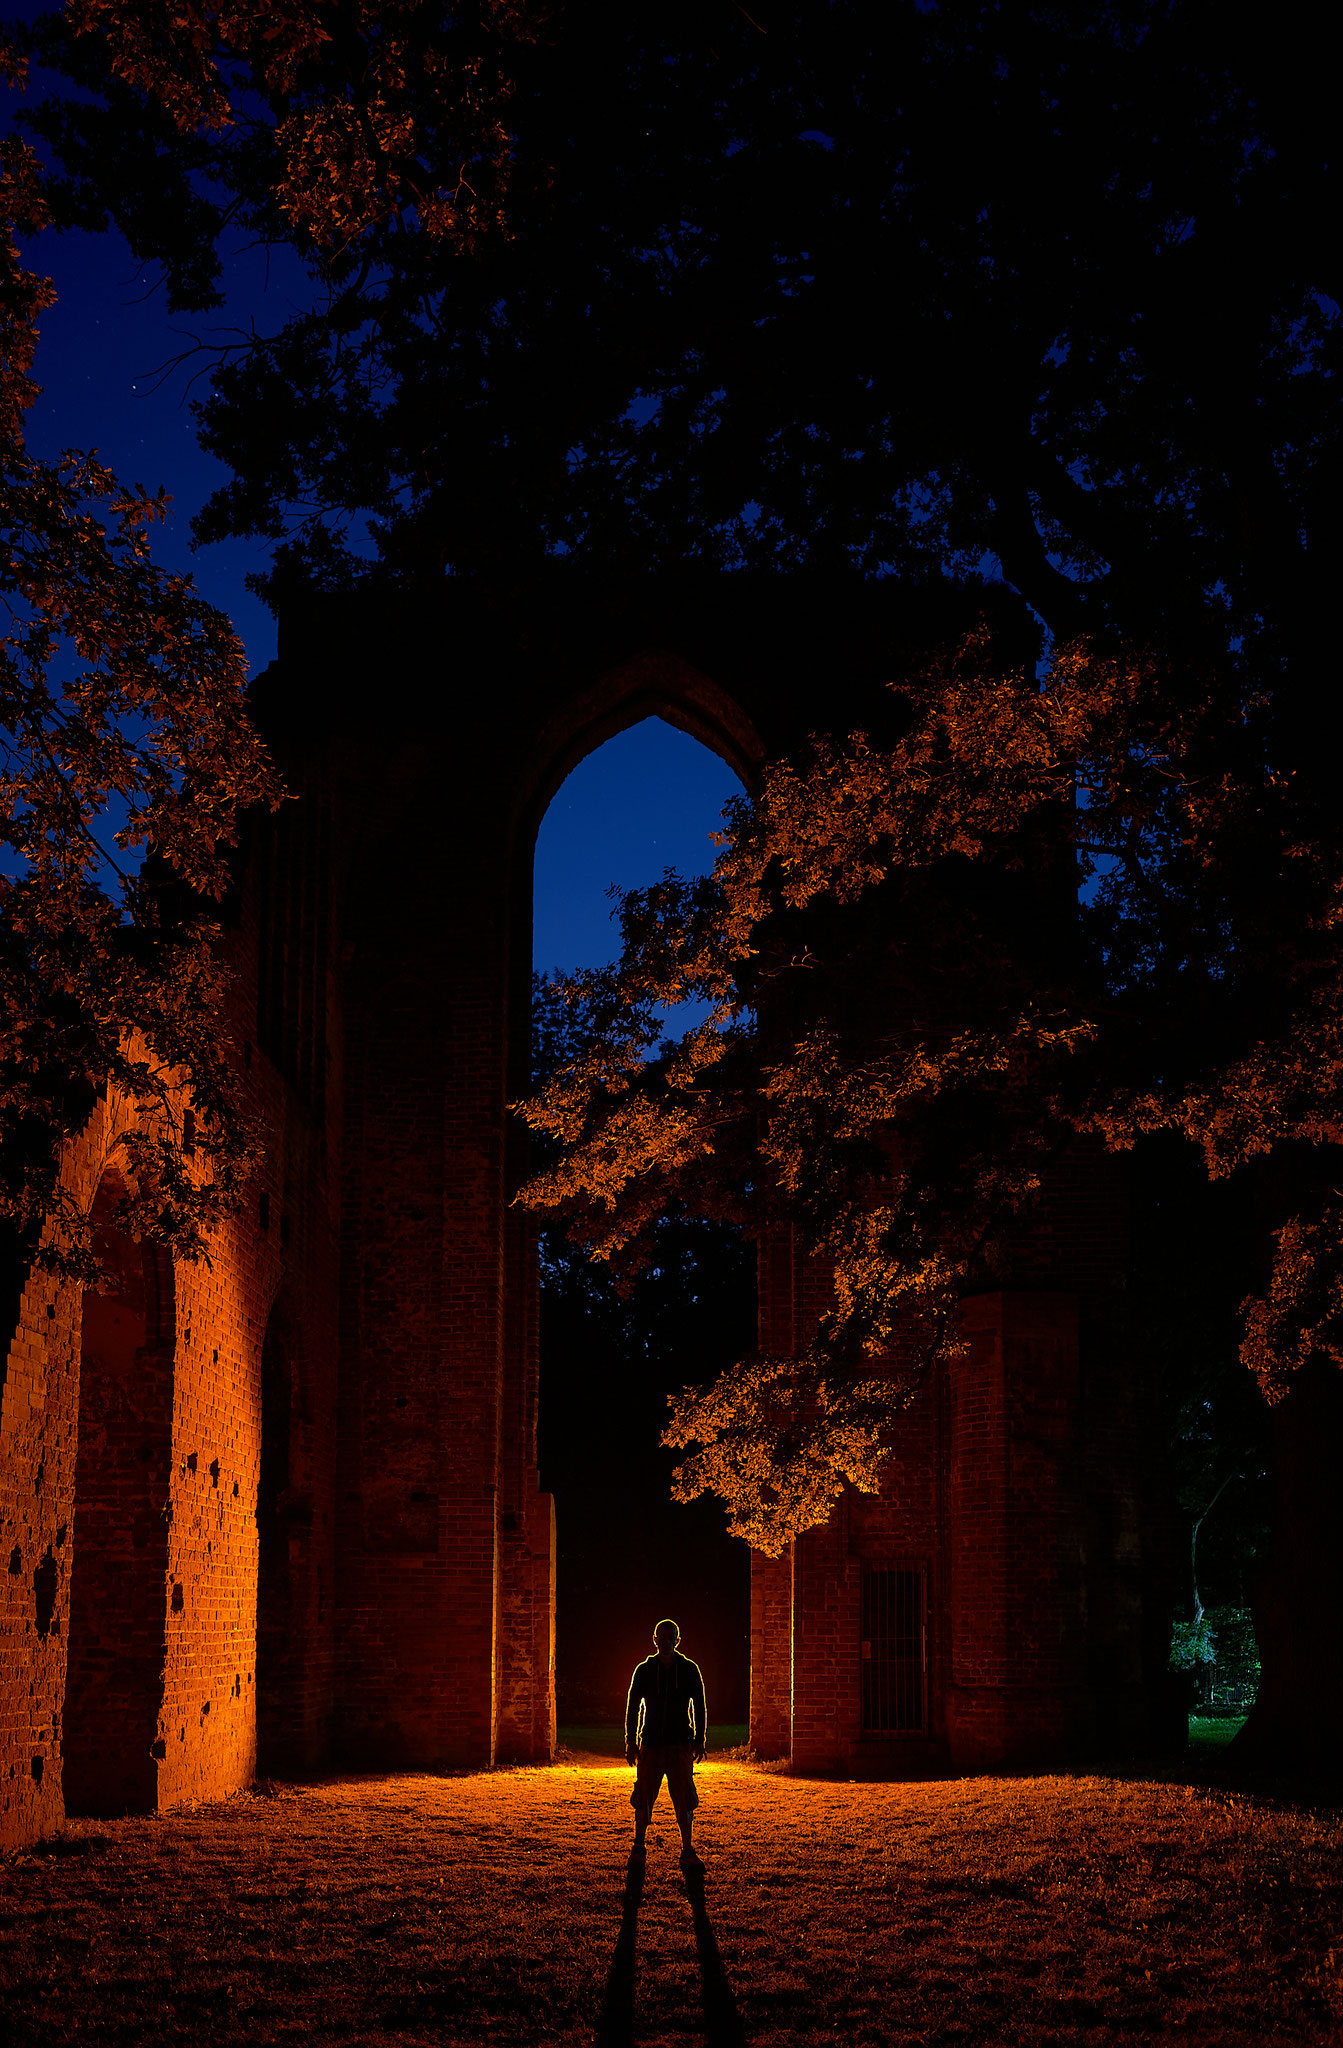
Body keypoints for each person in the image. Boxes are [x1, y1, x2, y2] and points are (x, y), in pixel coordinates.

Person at [624, 1618, 707, 1865]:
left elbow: (699, 1706)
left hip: (680, 1742)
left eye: (671, 1638)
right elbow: (633, 1707)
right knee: (644, 1796)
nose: (667, 1642)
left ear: (677, 1641)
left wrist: (699, 1738)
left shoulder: (689, 1669)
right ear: (655, 1640)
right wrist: (631, 1740)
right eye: (662, 1637)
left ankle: (687, 1849)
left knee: (684, 1797)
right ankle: (639, 1845)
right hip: (651, 1742)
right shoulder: (644, 1670)